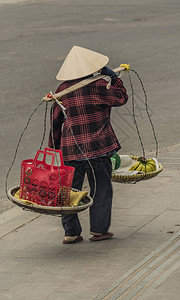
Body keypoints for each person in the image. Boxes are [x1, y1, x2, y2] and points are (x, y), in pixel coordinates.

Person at [46, 46, 128, 244]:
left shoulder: (62, 90)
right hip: (98, 149)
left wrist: (55, 149)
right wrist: (114, 79)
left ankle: (71, 232)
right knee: (100, 188)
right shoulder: (100, 85)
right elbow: (121, 98)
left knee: (69, 192)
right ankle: (99, 231)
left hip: (71, 151)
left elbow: (56, 122)